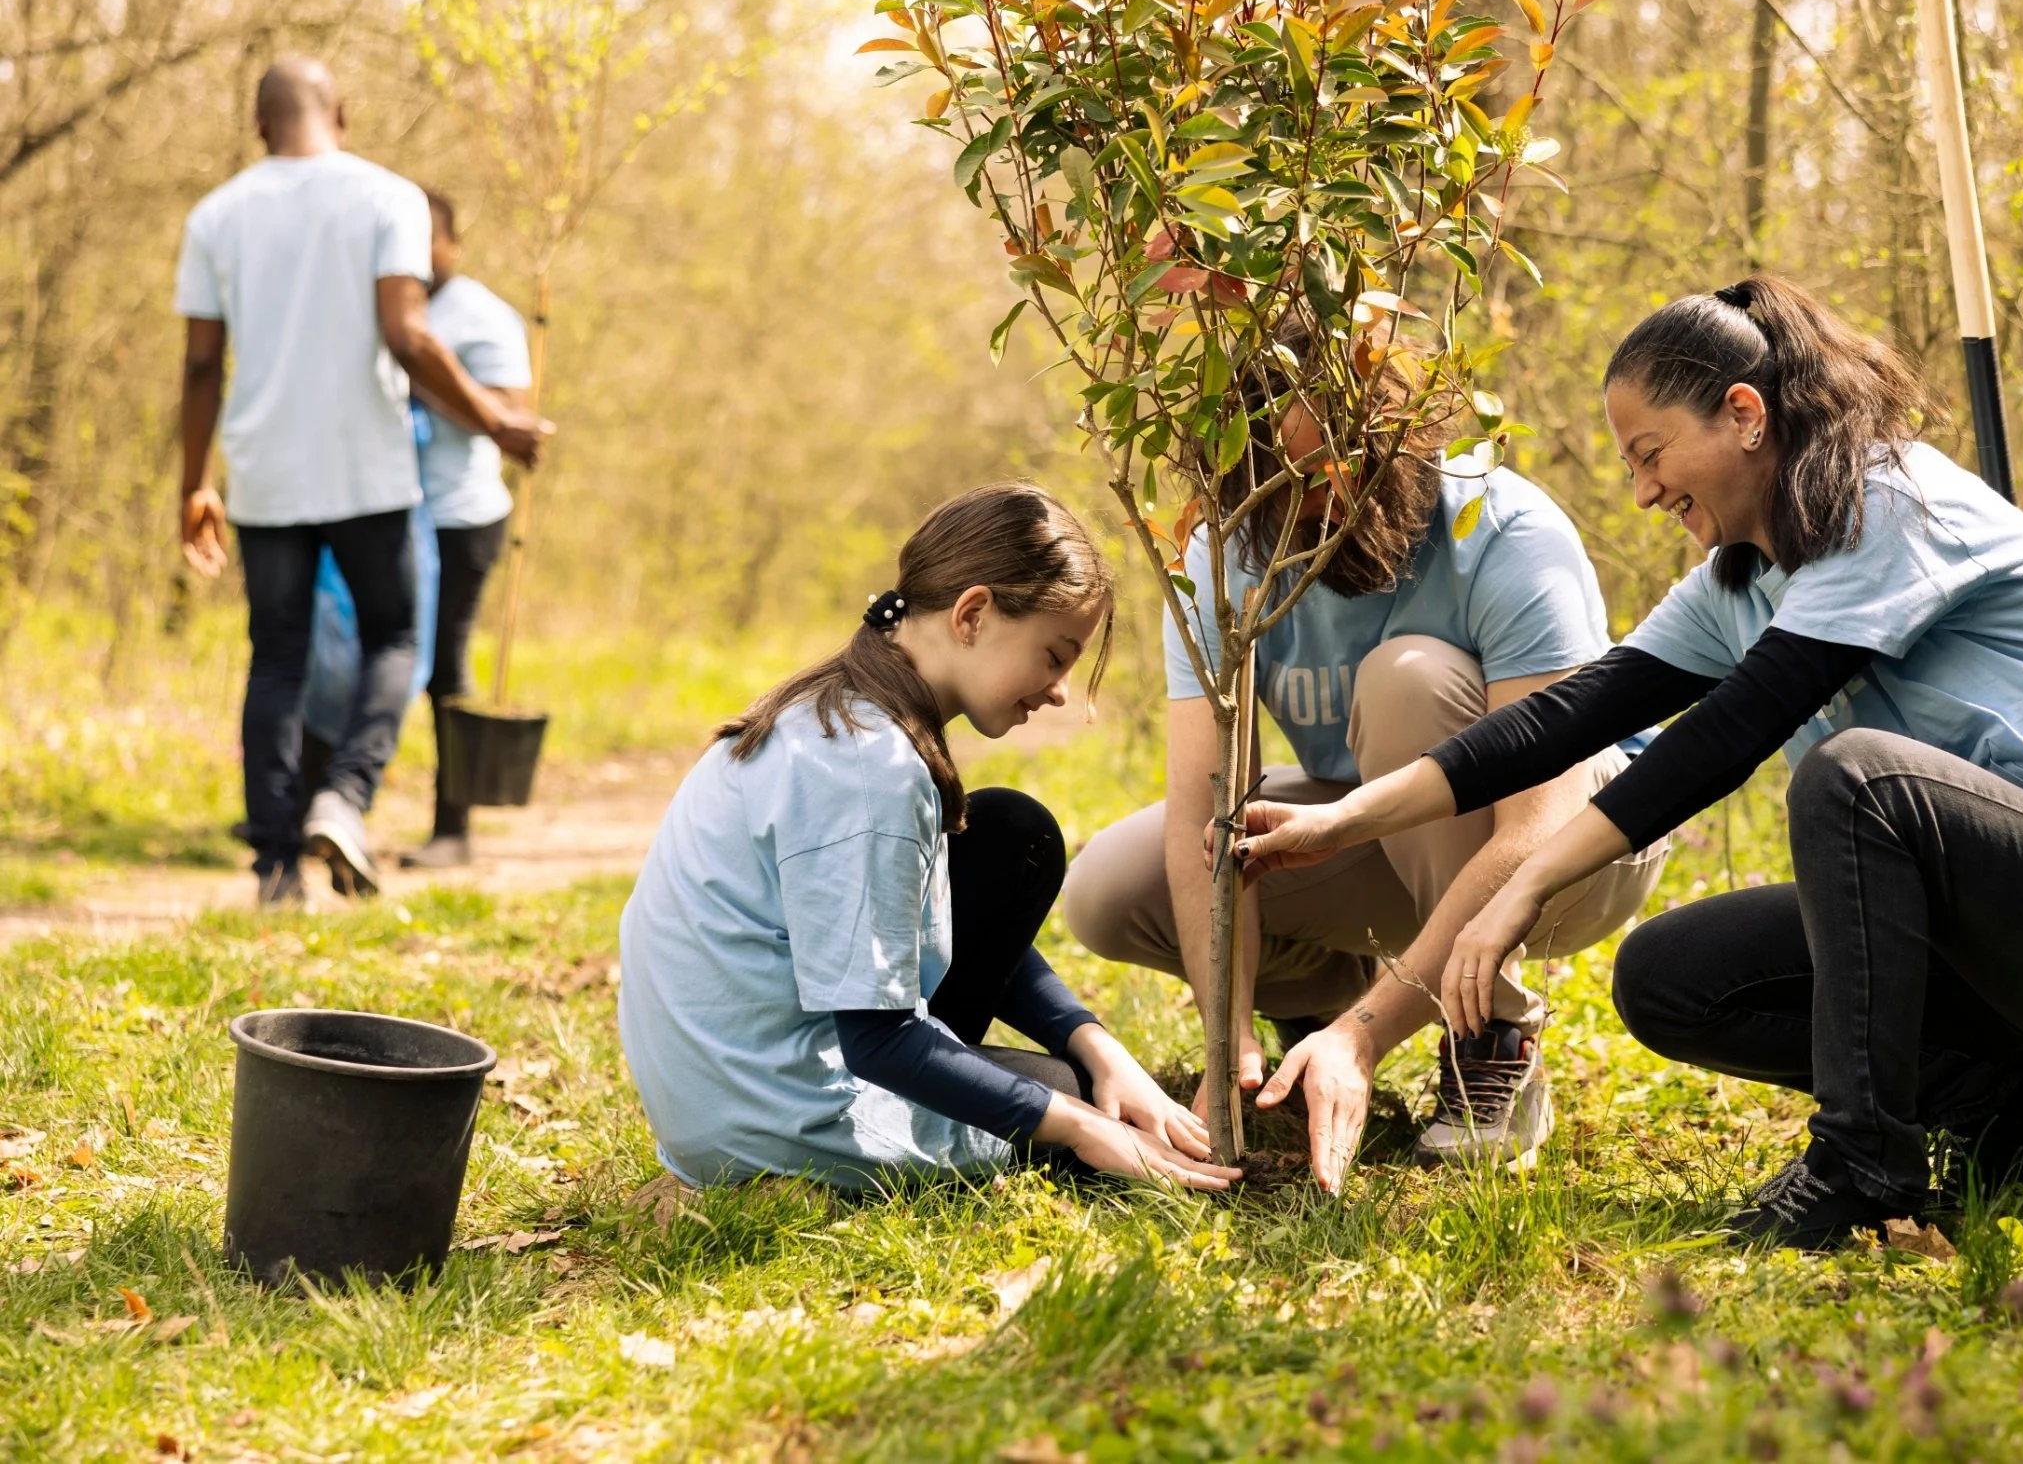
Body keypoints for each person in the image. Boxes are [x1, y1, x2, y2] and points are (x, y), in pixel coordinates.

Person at [1233, 277, 2023, 1240]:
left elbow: (1730, 732)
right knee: (1671, 977)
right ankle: (2011, 1113)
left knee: (1858, 776)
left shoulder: (1890, 503)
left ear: (1743, 413)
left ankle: (1864, 1166)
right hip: (2012, 948)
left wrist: (1524, 882)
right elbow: (1575, 710)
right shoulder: (1749, 570)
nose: (1641, 491)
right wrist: (1346, 816)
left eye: (1650, 453)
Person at [1063, 373, 1668, 1179]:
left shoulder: (1505, 529)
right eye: (1278, 484)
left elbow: (1538, 823)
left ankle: (1491, 1033)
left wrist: (1368, 1037)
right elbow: (1203, 818)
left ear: (1398, 440)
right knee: (1111, 889)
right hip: (1384, 835)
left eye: (1331, 471)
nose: (1311, 504)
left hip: (1578, 843)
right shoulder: (1228, 554)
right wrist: (1226, 1028)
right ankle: (1310, 1006)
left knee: (1405, 681)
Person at [616, 484, 1235, 1194]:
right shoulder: (870, 770)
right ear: (973, 614)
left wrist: (1095, 1044)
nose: (1060, 689)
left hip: (723, 1095)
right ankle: (819, 1168)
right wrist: (1080, 1123)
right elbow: (877, 1041)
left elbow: (915, 916)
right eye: (1054, 655)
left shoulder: (844, 709)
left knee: (1011, 838)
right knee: (1069, 1109)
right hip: (767, 1119)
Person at [176, 56, 550, 906]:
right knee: (396, 641)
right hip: (368, 473)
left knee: (276, 659)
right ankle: (345, 797)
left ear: (257, 121)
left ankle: (275, 868)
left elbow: (201, 367)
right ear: (341, 113)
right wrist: (498, 421)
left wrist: (193, 485)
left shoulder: (215, 215)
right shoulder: (389, 199)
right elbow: (408, 336)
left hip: (265, 474)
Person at [400, 189, 534, 870]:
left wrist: (423, 376)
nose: (416, 251)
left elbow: (515, 417)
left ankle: (453, 828)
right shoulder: (386, 299)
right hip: (387, 508)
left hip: (460, 515)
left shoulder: (481, 315)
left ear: (451, 241)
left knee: (443, 667)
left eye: (427, 237)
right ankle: (306, 806)